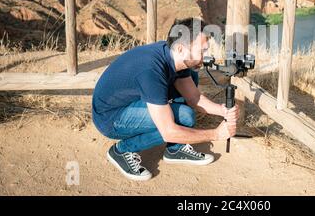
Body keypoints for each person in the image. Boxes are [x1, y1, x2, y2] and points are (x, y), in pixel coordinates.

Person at [92, 18, 238, 181]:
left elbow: (194, 97)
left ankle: (175, 150)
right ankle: (121, 150)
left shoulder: (175, 56)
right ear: (182, 48)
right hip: (109, 118)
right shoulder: (152, 70)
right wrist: (216, 134)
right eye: (202, 51)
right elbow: (168, 131)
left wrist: (223, 110)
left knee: (191, 86)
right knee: (181, 119)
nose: (205, 57)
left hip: (126, 103)